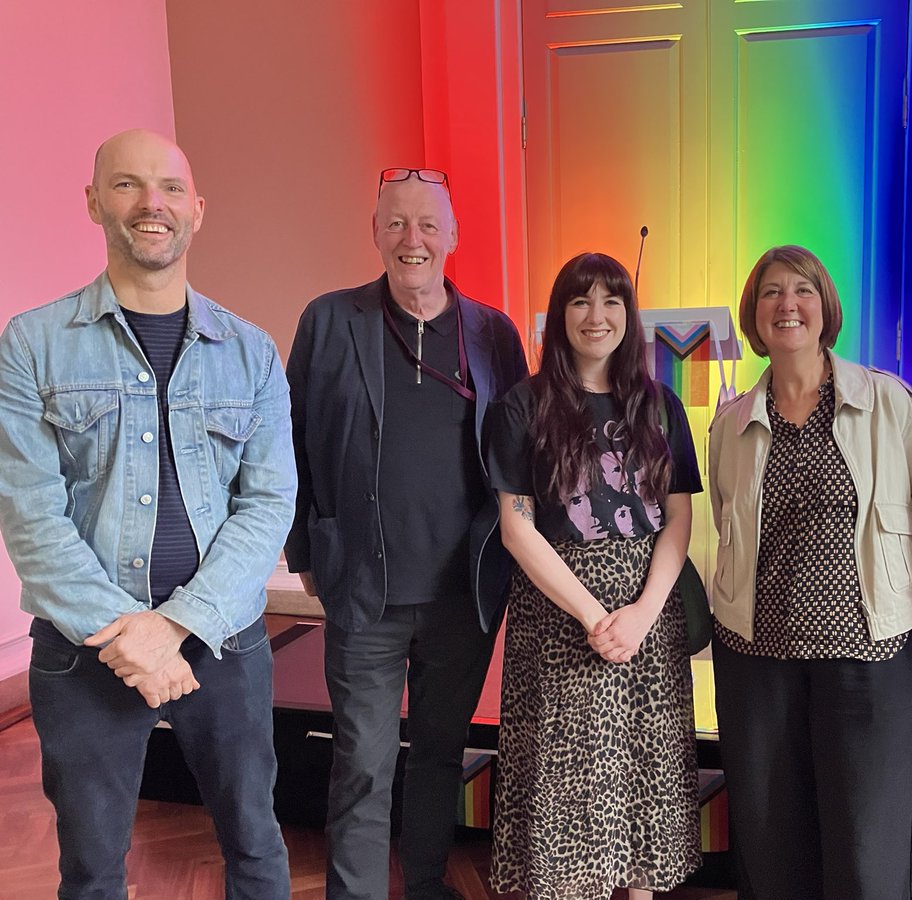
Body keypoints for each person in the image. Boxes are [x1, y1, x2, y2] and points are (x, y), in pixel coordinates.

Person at [0, 129, 295, 898]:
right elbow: (28, 511)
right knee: (92, 868)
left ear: (197, 210)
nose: (151, 203)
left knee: (257, 847)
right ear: (94, 202)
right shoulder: (32, 345)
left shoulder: (253, 352)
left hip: (223, 640)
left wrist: (174, 626)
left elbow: (268, 505)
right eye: (127, 185)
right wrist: (125, 631)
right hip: (84, 651)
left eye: (168, 188)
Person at [285, 167, 528, 900]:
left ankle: (424, 882)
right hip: (364, 590)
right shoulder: (329, 321)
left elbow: (519, 454)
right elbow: (288, 443)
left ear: (453, 237)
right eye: (396, 223)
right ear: (375, 233)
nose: (412, 240)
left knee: (438, 754)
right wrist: (303, 551)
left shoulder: (493, 333)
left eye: (427, 225)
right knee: (362, 759)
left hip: (466, 593)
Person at [708, 245, 912, 899]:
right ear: (754, 315)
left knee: (867, 845)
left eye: (803, 290)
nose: (788, 304)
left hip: (870, 651)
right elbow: (727, 522)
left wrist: (886, 595)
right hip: (757, 656)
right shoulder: (730, 424)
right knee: (771, 840)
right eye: (771, 293)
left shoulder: (889, 403)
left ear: (825, 305)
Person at [486, 252, 703, 899]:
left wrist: (641, 613)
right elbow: (516, 527)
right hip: (560, 615)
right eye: (581, 301)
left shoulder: (661, 406)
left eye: (612, 301)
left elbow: (680, 519)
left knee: (643, 772)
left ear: (629, 316)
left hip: (649, 611)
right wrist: (593, 615)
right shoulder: (521, 407)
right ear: (559, 316)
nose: (596, 315)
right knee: (568, 782)